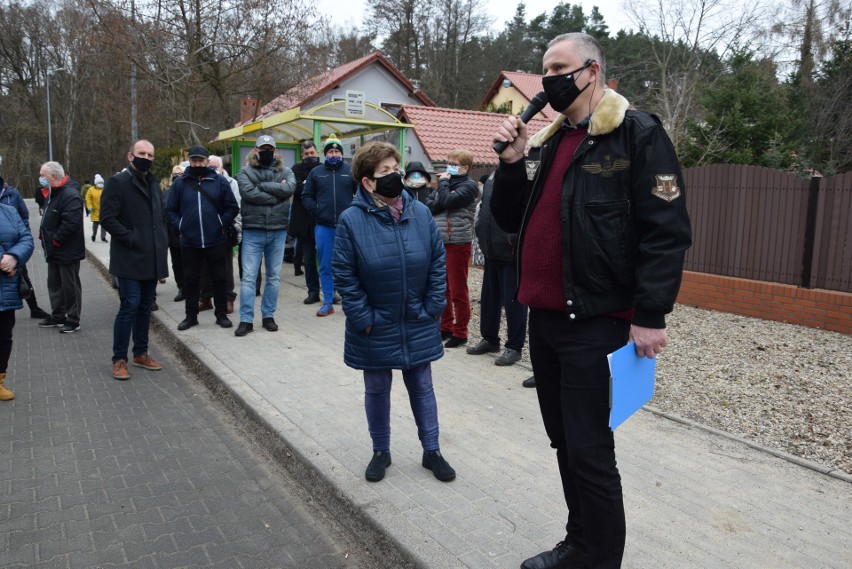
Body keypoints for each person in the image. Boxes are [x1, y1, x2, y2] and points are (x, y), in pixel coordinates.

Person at [491, 33, 692, 569]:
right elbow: (512, 222)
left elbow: (665, 231)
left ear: (592, 71)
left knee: (590, 452)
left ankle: (598, 558)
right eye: (544, 69)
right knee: (565, 444)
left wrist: (650, 315)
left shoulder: (636, 134)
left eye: (559, 66)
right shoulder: (558, 139)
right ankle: (578, 543)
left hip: (596, 321)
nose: (548, 78)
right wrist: (512, 163)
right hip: (547, 319)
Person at [332, 141, 455, 484]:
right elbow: (344, 274)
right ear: (367, 182)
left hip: (417, 318)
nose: (394, 175)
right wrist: (364, 318)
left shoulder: (421, 213)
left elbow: (437, 265)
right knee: (376, 388)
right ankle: (380, 451)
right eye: (384, 171)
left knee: (422, 385)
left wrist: (432, 308)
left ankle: (432, 451)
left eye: (395, 168)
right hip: (375, 323)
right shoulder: (351, 220)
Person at [100, 139, 170, 380]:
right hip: (128, 257)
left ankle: (141, 353)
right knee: (129, 305)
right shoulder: (117, 183)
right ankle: (119, 358)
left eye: (151, 154)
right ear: (130, 156)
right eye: (142, 153)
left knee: (144, 307)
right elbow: (108, 219)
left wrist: (161, 245)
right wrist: (132, 238)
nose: (147, 158)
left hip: (151, 259)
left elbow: (159, 218)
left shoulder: (154, 183)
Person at [165, 146, 239, 331]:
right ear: (189, 161)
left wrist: (221, 222)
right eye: (194, 160)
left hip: (216, 239)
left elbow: (232, 207)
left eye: (201, 160)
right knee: (191, 280)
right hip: (190, 241)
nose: (197, 163)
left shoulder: (219, 181)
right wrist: (181, 225)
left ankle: (221, 314)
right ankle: (191, 316)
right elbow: (169, 210)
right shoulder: (180, 183)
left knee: (219, 278)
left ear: (207, 161)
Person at [234, 135, 295, 336]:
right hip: (253, 231)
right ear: (256, 150)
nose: (266, 151)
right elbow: (248, 193)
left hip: (277, 231)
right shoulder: (245, 171)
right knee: (249, 278)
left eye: (270, 148)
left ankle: (268, 316)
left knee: (274, 277)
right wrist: (278, 196)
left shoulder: (287, 171)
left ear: (275, 151)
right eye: (263, 148)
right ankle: (246, 319)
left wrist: (262, 187)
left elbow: (290, 188)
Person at [466, 173, 528, 367]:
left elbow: (525, 209)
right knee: (489, 299)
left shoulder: (523, 174)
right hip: (491, 249)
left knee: (513, 302)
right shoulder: (493, 176)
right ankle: (490, 339)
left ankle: (514, 346)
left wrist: (515, 238)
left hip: (510, 253)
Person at [424, 149, 479, 348]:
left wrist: (444, 187)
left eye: (454, 164)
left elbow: (446, 201)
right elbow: (429, 206)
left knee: (458, 289)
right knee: (441, 288)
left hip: (458, 242)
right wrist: (444, 192)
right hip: (439, 241)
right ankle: (445, 327)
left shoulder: (470, 187)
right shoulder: (445, 185)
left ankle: (461, 331)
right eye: (449, 162)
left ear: (465, 168)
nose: (449, 167)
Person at [301, 134, 357, 317]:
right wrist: (318, 211)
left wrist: (355, 212)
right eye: (330, 151)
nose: (334, 154)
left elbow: (362, 194)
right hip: (324, 226)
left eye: (337, 151)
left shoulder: (350, 171)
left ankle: (349, 300)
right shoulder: (316, 172)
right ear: (325, 154)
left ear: (341, 153)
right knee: (325, 265)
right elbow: (306, 196)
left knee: (348, 265)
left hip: (347, 227)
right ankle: (327, 302)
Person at [37, 161, 85, 334]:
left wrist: (55, 241)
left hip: (66, 250)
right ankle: (58, 315)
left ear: (53, 177)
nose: (40, 178)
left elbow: (70, 224)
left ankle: (73, 319)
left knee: (69, 286)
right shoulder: (53, 192)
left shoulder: (70, 194)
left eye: (43, 175)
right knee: (55, 284)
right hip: (54, 250)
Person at [0, 177, 50, 319]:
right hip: (7, 259)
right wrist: (4, 262)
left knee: (23, 278)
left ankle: (34, 307)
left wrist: (16, 254)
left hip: (13, 249)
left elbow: (23, 216)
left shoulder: (12, 194)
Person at [0, 202, 35, 400]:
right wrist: (4, 262)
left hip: (6, 290)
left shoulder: (9, 211)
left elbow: (26, 238)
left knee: (4, 338)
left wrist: (14, 257)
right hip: (7, 274)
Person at [201, 154, 240, 314]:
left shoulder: (231, 183)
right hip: (203, 232)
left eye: (215, 167)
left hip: (224, 230)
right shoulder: (199, 181)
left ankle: (228, 299)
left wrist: (237, 230)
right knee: (204, 267)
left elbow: (237, 207)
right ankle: (205, 298)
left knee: (225, 267)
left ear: (222, 168)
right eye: (209, 166)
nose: (212, 170)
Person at [289, 141, 321, 304]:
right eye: (306, 154)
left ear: (317, 152)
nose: (309, 156)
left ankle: (331, 291)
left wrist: (306, 184)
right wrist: (311, 185)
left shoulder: (323, 168)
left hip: (322, 221)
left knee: (326, 259)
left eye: (312, 153)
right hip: (303, 223)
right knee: (308, 260)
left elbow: (324, 189)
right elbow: (295, 189)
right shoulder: (296, 169)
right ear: (302, 155)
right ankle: (313, 292)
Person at [165, 165, 186, 301]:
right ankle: (181, 287)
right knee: (176, 263)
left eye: (180, 174)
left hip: (186, 233)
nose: (177, 176)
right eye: (175, 174)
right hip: (172, 233)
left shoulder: (188, 190)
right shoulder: (167, 192)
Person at [85, 174, 108, 242]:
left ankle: (103, 237)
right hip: (95, 210)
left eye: (102, 183)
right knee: (96, 224)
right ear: (96, 183)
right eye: (99, 183)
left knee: (104, 225)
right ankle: (94, 235)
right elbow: (88, 198)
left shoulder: (105, 189)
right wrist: (89, 207)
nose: (101, 184)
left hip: (104, 210)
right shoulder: (91, 190)